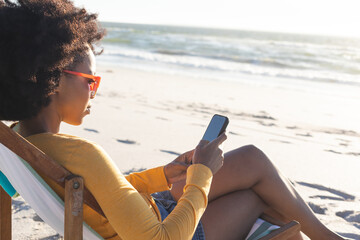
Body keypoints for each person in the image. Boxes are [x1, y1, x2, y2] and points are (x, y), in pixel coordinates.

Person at [0, 0, 345, 239]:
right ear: (55, 79)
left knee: (253, 163)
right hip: (164, 228)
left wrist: (162, 176)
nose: (95, 91)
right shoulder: (78, 151)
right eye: (91, 81)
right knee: (263, 201)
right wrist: (202, 174)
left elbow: (93, 193)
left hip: (140, 213)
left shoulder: (20, 141)